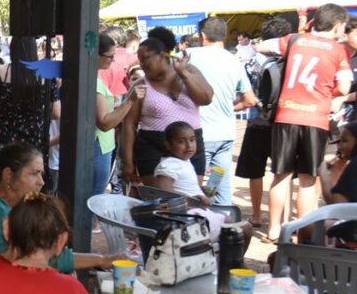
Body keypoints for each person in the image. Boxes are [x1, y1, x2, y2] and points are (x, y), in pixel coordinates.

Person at [255, 3, 353, 240]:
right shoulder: (338, 50)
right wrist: (326, 92)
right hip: (315, 117)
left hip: (286, 115)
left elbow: (261, 46)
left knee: (281, 175)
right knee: (308, 179)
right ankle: (303, 232)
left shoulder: (294, 40)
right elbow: (343, 87)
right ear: (337, 25)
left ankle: (274, 230)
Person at [0, 142, 119, 278]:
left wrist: (102, 260)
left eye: (41, 174)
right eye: (34, 173)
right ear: (8, 175)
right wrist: (102, 260)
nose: (41, 182)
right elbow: (41, 258)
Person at [121, 27, 214, 186]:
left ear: (163, 56)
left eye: (145, 59)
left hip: (190, 142)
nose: (142, 64)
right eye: (140, 60)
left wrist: (184, 74)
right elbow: (129, 124)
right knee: (160, 196)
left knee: (191, 193)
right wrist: (128, 162)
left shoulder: (189, 71)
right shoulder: (140, 85)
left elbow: (206, 98)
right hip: (153, 145)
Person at [189, 17, 257, 205]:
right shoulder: (234, 60)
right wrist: (229, 108)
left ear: (202, 35)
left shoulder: (189, 56)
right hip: (225, 135)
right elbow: (250, 100)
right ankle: (224, 219)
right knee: (220, 187)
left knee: (192, 189)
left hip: (198, 136)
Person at [235, 17, 293, 228]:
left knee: (255, 172)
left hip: (257, 121)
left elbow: (245, 90)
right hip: (284, 122)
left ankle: (257, 215)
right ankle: (285, 220)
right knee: (284, 173)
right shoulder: (292, 59)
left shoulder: (255, 60)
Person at [0, 37, 59, 175]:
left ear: (12, 49)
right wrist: (35, 112)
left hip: (3, 139)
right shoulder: (47, 75)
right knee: (29, 180)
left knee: (0, 179)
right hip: (33, 140)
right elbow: (56, 113)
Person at [94, 34, 145, 198]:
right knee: (95, 195)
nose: (112, 60)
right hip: (99, 145)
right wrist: (129, 101)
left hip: (101, 145)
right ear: (96, 55)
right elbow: (104, 123)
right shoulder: (95, 83)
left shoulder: (95, 79)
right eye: (110, 56)